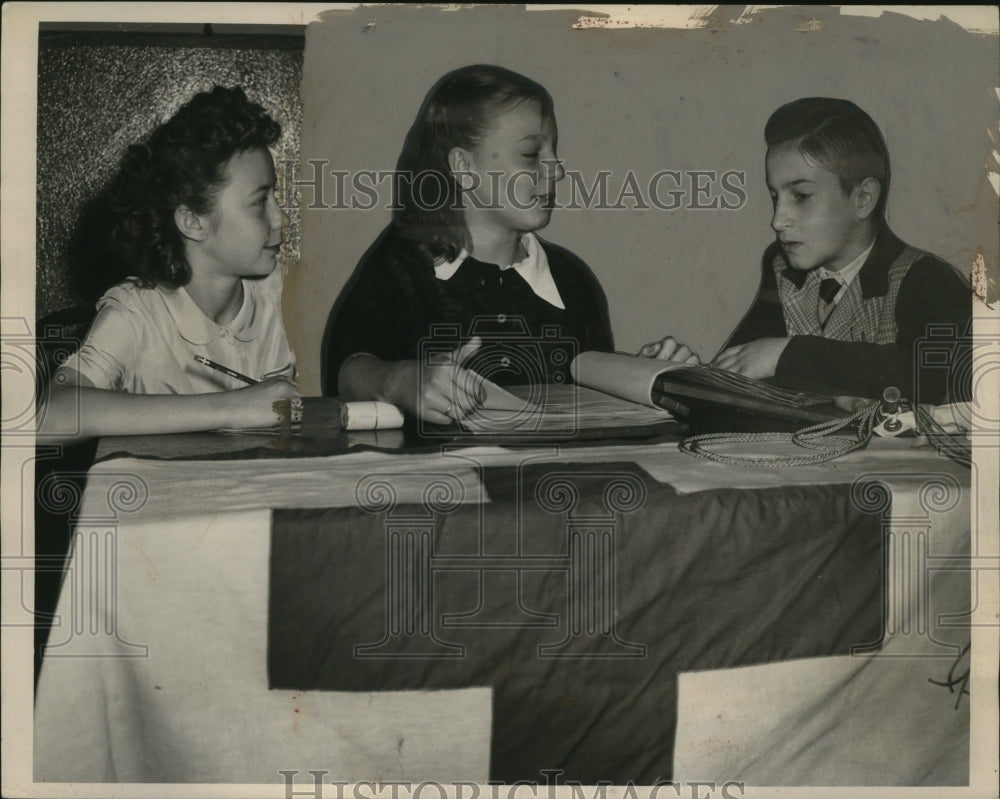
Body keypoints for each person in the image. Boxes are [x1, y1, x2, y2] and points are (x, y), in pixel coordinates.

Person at [323, 64, 614, 425]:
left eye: (554, 151)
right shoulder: (401, 264)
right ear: (463, 166)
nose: (557, 169)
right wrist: (401, 380)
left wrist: (642, 375)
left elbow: (597, 394)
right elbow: (347, 372)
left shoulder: (573, 280)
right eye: (531, 154)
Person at [643, 97, 971, 405]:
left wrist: (788, 355)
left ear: (863, 199)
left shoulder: (928, 278)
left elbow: (934, 377)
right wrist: (681, 375)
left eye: (800, 196)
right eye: (775, 197)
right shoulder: (783, 268)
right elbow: (745, 366)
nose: (777, 220)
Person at [38, 86, 298, 444]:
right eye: (260, 201)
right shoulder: (137, 311)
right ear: (193, 221)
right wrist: (235, 407)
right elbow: (50, 415)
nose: (281, 219)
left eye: (276, 198)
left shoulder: (284, 296)